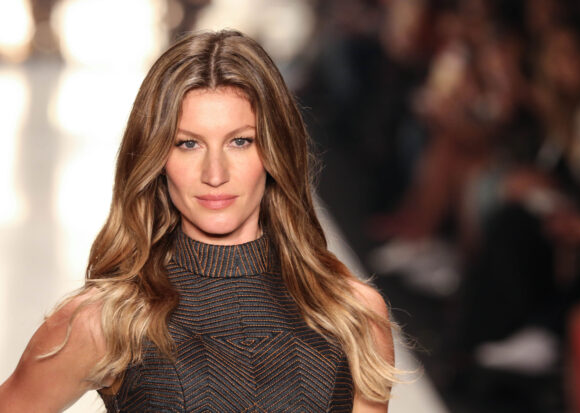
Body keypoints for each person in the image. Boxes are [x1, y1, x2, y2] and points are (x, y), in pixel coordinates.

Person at [0, 30, 396, 412]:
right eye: (188, 143)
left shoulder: (352, 314)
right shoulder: (108, 321)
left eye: (240, 141)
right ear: (157, 157)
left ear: (276, 149)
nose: (215, 173)